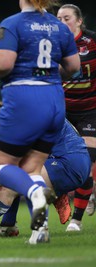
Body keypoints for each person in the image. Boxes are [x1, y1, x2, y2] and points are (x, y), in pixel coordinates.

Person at [0, 0, 80, 233]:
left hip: (25, 99)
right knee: (32, 168)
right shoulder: (59, 27)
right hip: (55, 101)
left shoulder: (12, 23)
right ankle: (39, 229)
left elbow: (3, 64)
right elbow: (74, 66)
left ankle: (35, 192)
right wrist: (48, 75)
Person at [0, 101, 91, 244]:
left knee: (12, 184)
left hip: (68, 163)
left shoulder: (25, 123)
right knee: (14, 179)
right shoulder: (27, 117)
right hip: (73, 160)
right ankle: (8, 226)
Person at [57, 4, 96, 232]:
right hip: (63, 112)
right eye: (58, 18)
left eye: (67, 18)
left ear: (79, 21)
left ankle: (76, 221)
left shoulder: (92, 42)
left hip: (91, 110)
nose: (62, 22)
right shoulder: (51, 44)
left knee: (85, 159)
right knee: (73, 164)